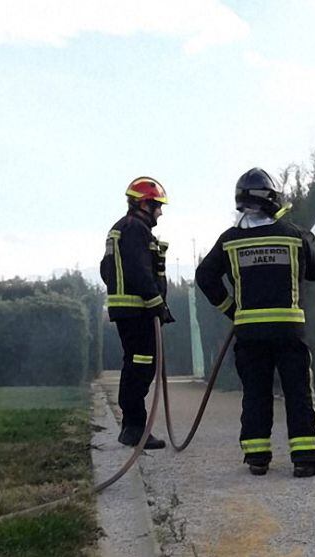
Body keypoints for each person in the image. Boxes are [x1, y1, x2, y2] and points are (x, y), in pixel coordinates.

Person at [195, 167, 315, 477]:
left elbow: (204, 276)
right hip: (288, 331)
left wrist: (232, 309)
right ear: (272, 199)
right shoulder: (294, 235)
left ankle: (257, 458)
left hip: (249, 334)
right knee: (298, 392)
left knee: (255, 392)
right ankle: (306, 459)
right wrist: (308, 242)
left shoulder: (230, 240)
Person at [100, 176, 174, 450]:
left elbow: (105, 268)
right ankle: (134, 429)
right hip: (137, 309)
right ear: (145, 204)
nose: (161, 212)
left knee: (137, 364)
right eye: (158, 205)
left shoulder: (122, 229)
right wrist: (156, 303)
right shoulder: (134, 229)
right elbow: (138, 270)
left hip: (129, 308)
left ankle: (132, 427)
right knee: (141, 366)